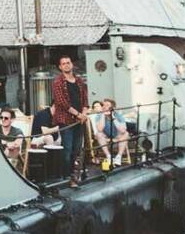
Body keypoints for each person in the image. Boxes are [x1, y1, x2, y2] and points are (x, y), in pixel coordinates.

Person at [50, 55, 90, 184]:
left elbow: (85, 99)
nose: (67, 65)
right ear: (60, 67)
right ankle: (65, 176)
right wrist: (78, 114)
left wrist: (84, 113)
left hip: (79, 120)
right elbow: (62, 103)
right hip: (65, 120)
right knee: (67, 148)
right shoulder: (57, 82)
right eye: (64, 63)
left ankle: (72, 173)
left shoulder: (79, 81)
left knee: (76, 148)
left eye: (68, 62)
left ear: (72, 64)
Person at [92, 99, 129, 169]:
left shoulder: (118, 115)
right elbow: (99, 129)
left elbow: (123, 130)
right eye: (103, 105)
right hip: (105, 135)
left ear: (113, 107)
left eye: (107, 105)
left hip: (117, 135)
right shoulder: (99, 115)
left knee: (126, 134)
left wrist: (113, 117)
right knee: (98, 134)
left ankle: (119, 157)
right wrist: (103, 115)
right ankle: (108, 156)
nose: (104, 107)